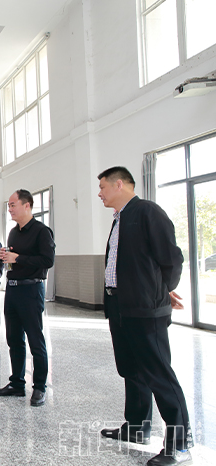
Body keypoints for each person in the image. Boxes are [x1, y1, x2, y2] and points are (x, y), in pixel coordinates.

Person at [97, 166, 192, 466]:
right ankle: (137, 428)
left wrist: (161, 291)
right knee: (131, 370)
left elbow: (172, 259)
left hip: (145, 310)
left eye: (102, 187)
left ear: (120, 184)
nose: (99, 193)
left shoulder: (148, 212)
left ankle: (180, 445)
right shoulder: (120, 218)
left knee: (159, 374)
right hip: (120, 307)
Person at [0, 189, 55, 407]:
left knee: (35, 341)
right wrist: (6, 259)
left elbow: (47, 260)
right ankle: (17, 383)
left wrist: (18, 258)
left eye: (13, 205)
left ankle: (39, 387)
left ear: (27, 205)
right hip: (13, 290)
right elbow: (13, 260)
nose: (10, 209)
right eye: (9, 205)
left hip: (31, 290)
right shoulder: (13, 232)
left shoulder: (41, 231)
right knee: (14, 339)